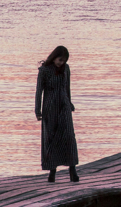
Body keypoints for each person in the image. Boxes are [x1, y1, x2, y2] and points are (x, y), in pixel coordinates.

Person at [35, 46, 80, 183]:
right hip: (50, 108)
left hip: (64, 106)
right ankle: (52, 172)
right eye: (60, 60)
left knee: (69, 138)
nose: (62, 63)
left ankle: (73, 171)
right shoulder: (44, 71)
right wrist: (38, 110)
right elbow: (39, 92)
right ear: (54, 57)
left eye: (64, 60)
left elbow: (67, 87)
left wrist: (70, 102)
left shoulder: (66, 68)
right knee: (51, 139)